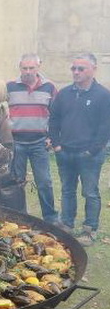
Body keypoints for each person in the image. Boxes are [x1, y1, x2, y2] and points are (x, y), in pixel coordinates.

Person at [49, 53, 110, 246]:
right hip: (65, 152)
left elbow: (105, 126)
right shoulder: (64, 93)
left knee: (90, 192)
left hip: (89, 155)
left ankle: (89, 230)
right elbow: (54, 119)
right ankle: (66, 224)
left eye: (80, 69)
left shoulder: (103, 95)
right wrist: (57, 144)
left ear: (93, 69)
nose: (76, 72)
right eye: (73, 68)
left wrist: (92, 150)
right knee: (67, 190)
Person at [7, 53, 59, 223]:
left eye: (31, 68)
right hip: (16, 143)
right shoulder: (10, 87)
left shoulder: (49, 87)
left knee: (44, 182)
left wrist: (52, 137)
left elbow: (57, 116)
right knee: (16, 183)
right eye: (24, 68)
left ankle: (50, 218)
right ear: (20, 68)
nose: (28, 71)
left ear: (38, 67)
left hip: (39, 144)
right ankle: (19, 217)